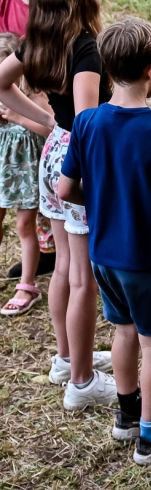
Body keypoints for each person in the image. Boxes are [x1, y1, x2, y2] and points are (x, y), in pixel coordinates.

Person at [58, 18, 151, 465]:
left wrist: (101, 200)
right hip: (147, 257)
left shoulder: (87, 123)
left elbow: (65, 190)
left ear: (107, 67)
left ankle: (126, 417)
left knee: (123, 331)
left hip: (103, 254)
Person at [0, 0, 115, 406]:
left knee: (65, 267)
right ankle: (83, 383)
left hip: (54, 153)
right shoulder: (85, 47)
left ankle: (67, 359)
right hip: (77, 163)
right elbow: (87, 121)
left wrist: (49, 123)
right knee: (82, 275)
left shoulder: (37, 39)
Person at [0, 0, 57, 282]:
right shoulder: (2, 0)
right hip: (9, 105)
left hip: (43, 106)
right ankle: (43, 254)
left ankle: (48, 254)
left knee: (45, 192)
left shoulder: (53, 4)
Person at [0, 33, 53, 316]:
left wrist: (19, 116)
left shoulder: (33, 93)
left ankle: (27, 284)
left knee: (25, 227)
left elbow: (51, 129)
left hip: (27, 174)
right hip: (4, 173)